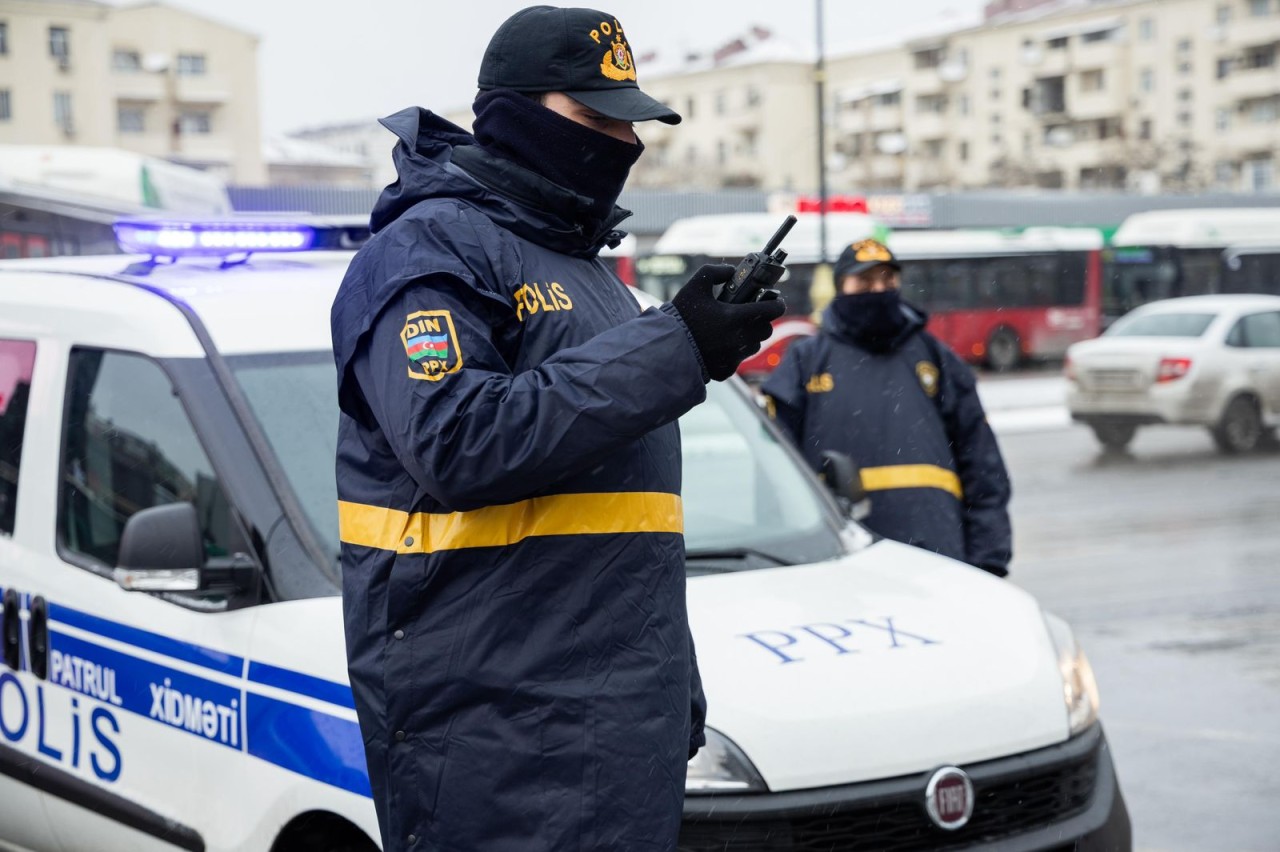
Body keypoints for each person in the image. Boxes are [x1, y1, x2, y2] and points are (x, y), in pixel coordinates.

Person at [329, 6, 785, 851]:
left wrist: (671, 681)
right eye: (594, 118)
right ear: (511, 113)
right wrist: (678, 344)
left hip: (614, 735)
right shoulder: (427, 251)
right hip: (494, 738)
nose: (622, 140)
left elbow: (623, 514)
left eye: (629, 120)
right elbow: (458, 442)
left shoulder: (590, 274)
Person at [761, 237, 1012, 577]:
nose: (878, 291)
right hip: (844, 557)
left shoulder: (934, 357)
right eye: (865, 282)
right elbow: (776, 475)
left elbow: (983, 467)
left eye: (887, 281)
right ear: (841, 288)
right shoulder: (806, 362)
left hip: (938, 553)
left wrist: (989, 559)